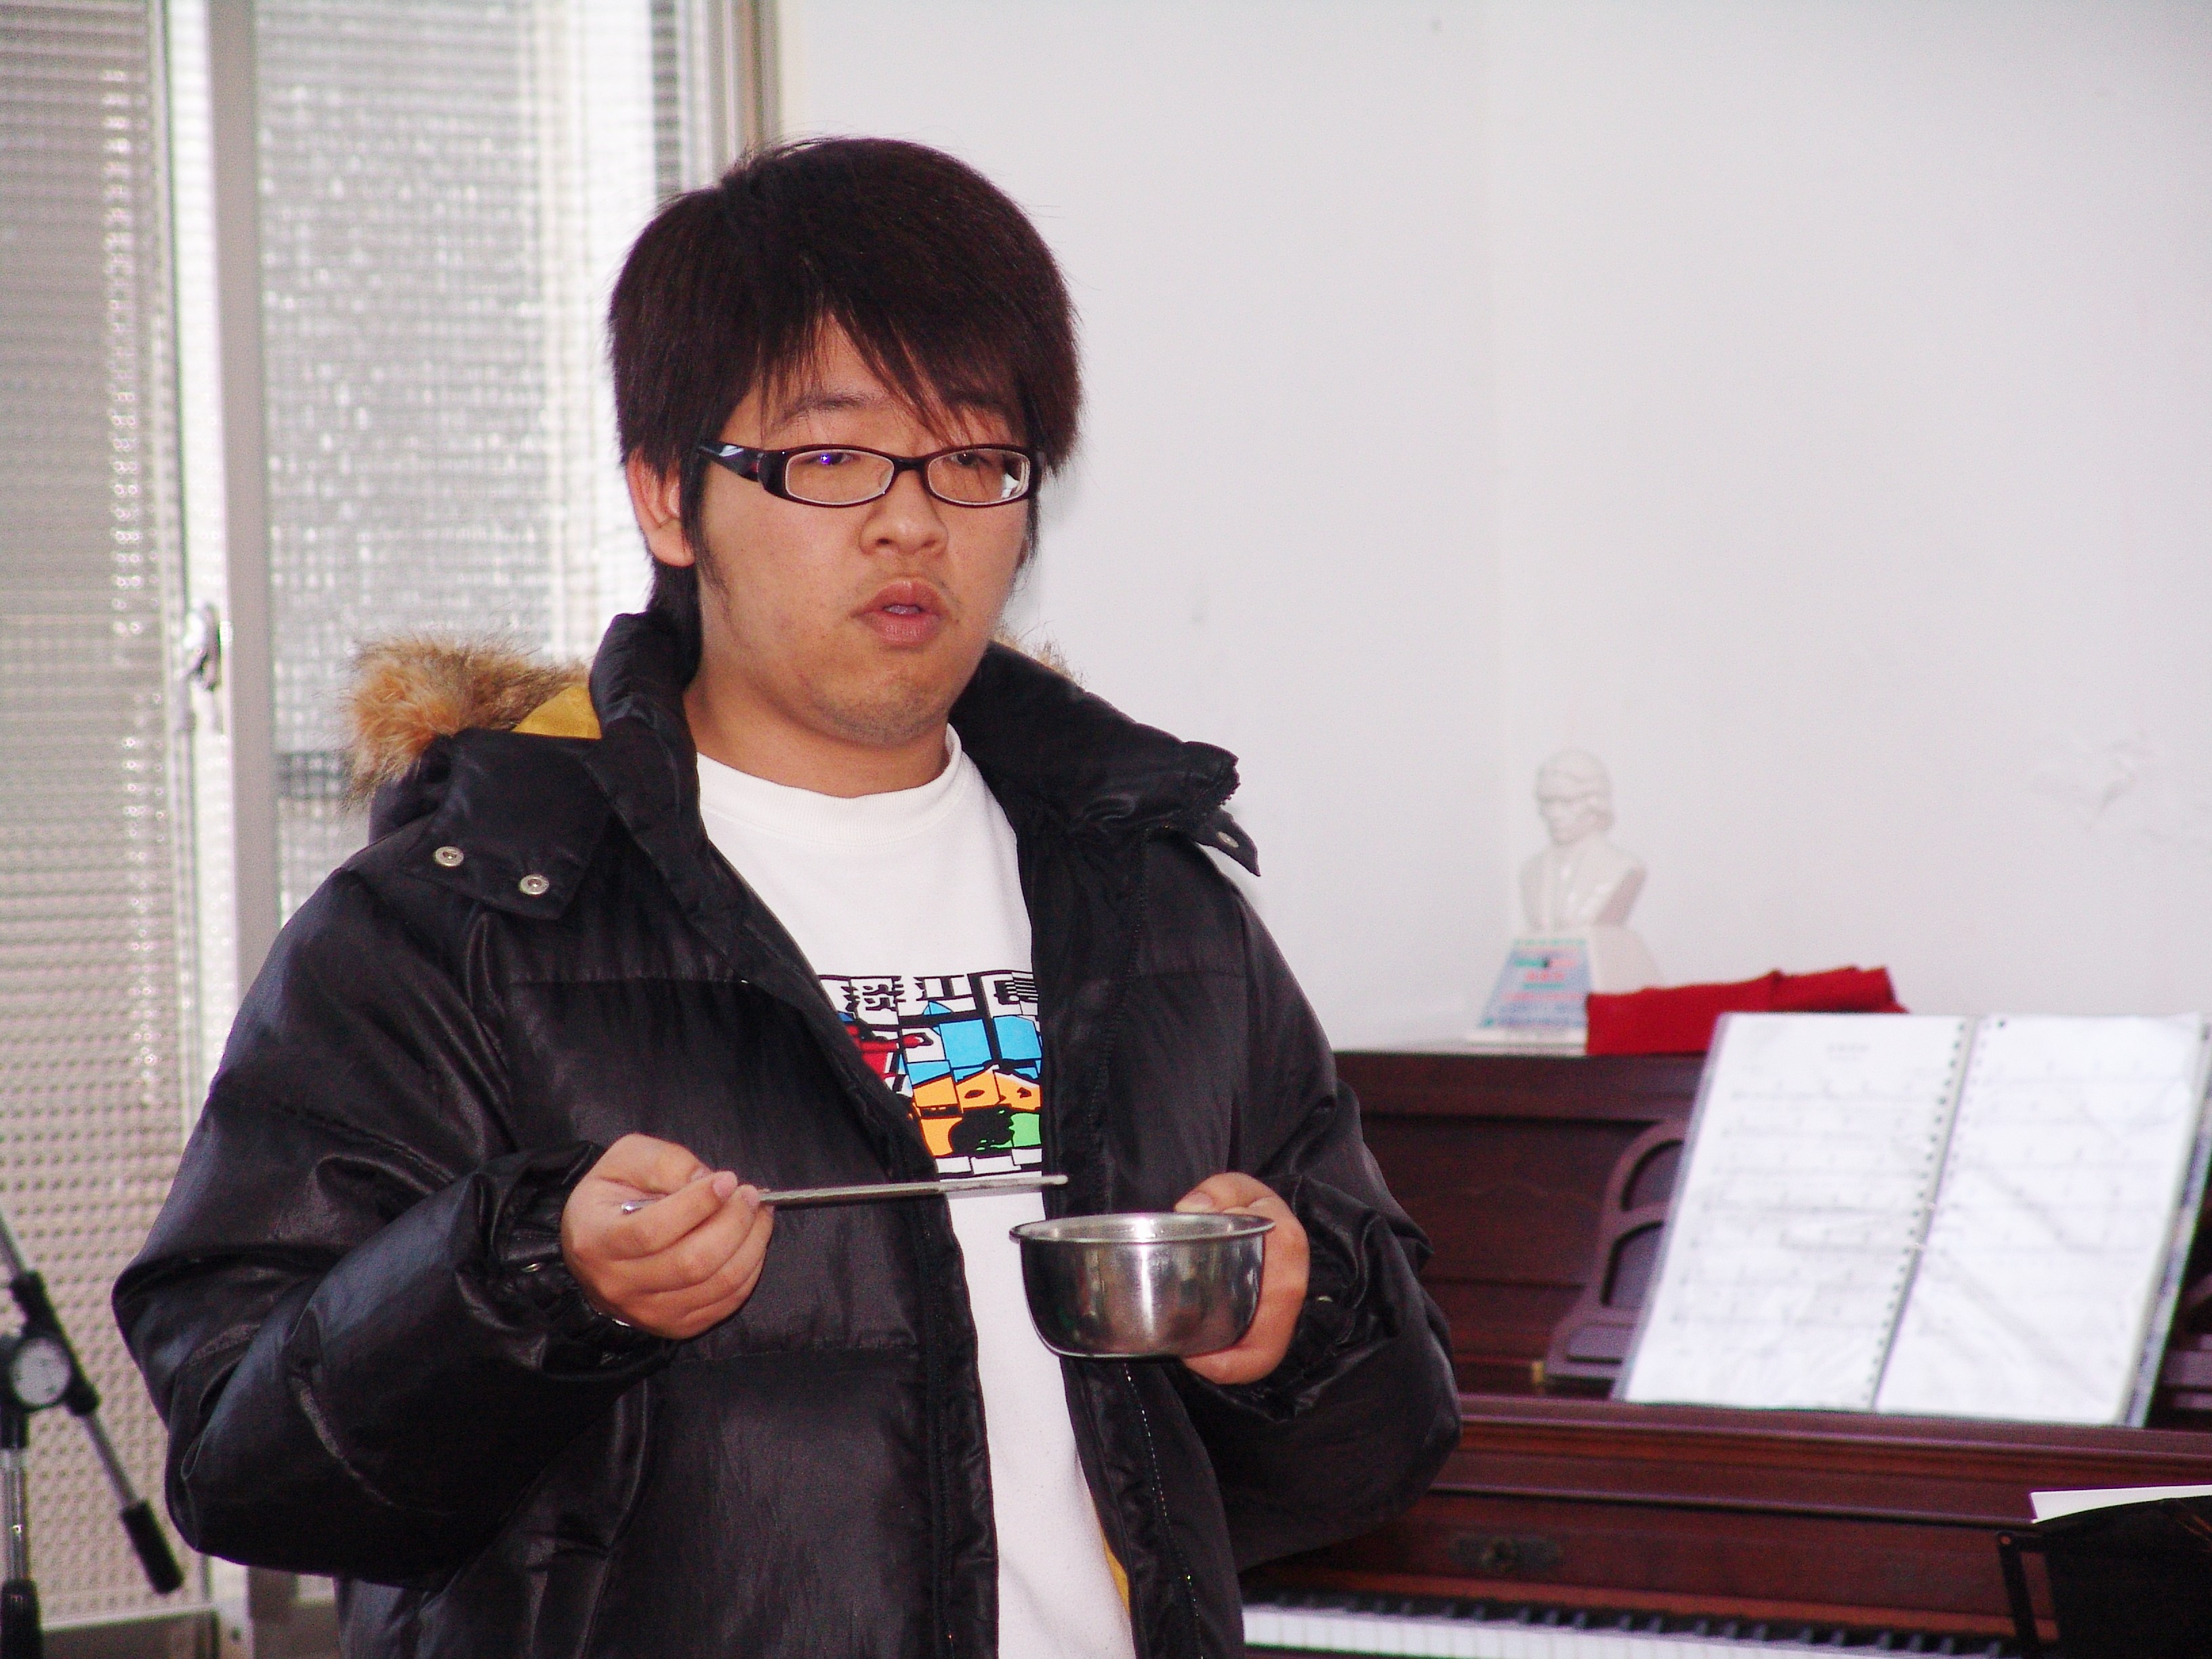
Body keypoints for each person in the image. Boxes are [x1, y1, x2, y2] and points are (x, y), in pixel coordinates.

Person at [115, 136, 1457, 1658]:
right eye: (830, 460)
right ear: (668, 499)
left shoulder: (1157, 907)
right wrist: (535, 1280)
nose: (913, 522)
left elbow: (1382, 1451)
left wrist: (1298, 1320)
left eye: (976, 460)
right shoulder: (459, 922)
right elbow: (245, 1460)